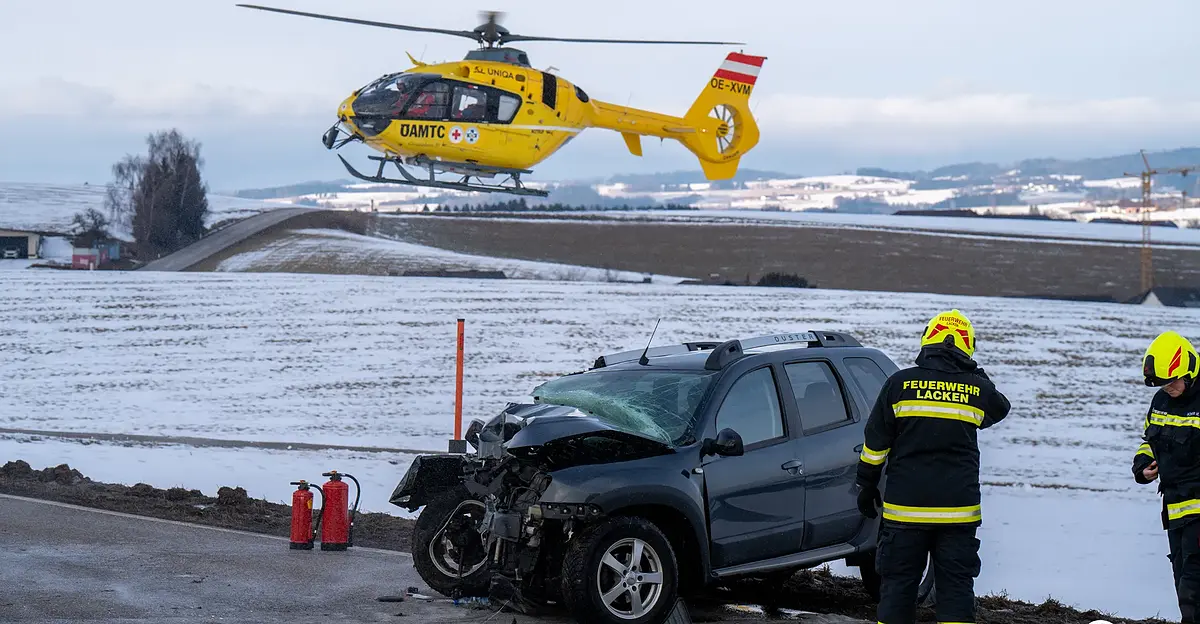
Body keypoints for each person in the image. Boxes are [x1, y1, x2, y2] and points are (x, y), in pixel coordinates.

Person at [855, 309, 1011, 624]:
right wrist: (971, 373)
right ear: (968, 346)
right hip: (958, 514)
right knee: (955, 591)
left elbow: (875, 444)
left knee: (898, 589)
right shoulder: (976, 390)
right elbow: (1001, 407)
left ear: (927, 340)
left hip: (904, 512)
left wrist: (867, 484)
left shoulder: (899, 384)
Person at [1132, 330, 1200, 624]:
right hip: (1174, 508)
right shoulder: (1160, 401)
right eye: (1163, 383)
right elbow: (1149, 438)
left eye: (1172, 381)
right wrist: (1143, 464)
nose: (1168, 388)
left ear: (1190, 373)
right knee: (1181, 579)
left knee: (1193, 586)